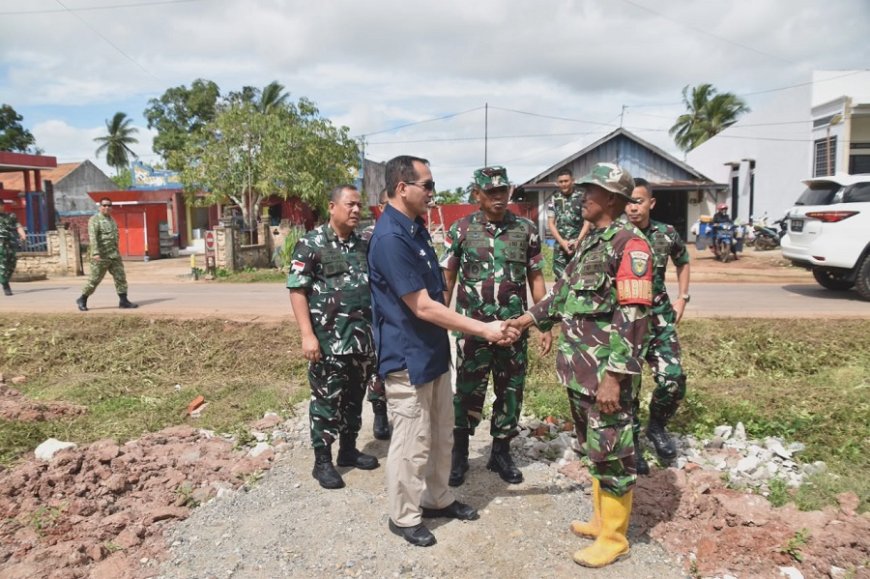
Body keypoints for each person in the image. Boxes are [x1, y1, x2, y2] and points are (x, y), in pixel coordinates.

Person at [368, 155, 519, 547]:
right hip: (407, 358)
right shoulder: (390, 237)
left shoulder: (414, 229)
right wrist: (483, 328)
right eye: (428, 185)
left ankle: (437, 498)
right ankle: (403, 516)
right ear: (403, 188)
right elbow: (422, 306)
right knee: (412, 443)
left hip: (432, 351)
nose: (433, 193)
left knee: (439, 436)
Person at [506, 162, 652, 568]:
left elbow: (634, 317)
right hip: (579, 371)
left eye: (591, 191)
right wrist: (525, 320)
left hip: (606, 376)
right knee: (595, 449)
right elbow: (559, 297)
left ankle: (614, 537)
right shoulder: (592, 243)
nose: (582, 197)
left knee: (613, 452)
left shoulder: (630, 246)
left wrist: (615, 379)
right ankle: (600, 518)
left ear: (612, 199)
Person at [441, 166, 552, 487]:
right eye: (491, 193)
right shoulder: (460, 230)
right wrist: (437, 322)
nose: (499, 198)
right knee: (465, 391)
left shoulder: (526, 230)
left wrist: (543, 322)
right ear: (476, 194)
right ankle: (459, 453)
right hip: (472, 330)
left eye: (502, 191)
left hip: (513, 330)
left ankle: (501, 452)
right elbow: (446, 279)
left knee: (511, 391)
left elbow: (536, 279)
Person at [287, 184, 380, 490]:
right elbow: (297, 290)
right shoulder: (311, 243)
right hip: (328, 342)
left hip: (362, 340)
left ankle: (349, 450)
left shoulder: (364, 244)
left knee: (354, 399)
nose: (356, 210)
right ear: (332, 207)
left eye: (359, 205)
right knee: (327, 401)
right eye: (350, 205)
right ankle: (322, 461)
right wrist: (307, 336)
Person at [625, 178, 691, 471]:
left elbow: (683, 260)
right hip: (627, 321)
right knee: (628, 387)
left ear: (651, 203)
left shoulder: (666, 233)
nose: (632, 208)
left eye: (638, 201)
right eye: (627, 202)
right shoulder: (617, 235)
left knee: (673, 379)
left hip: (661, 317)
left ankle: (657, 426)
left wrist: (683, 298)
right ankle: (633, 444)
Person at [359, 187, 391, 440]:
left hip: (403, 311)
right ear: (380, 207)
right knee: (377, 363)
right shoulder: (368, 237)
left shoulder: (411, 232)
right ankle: (379, 411)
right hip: (376, 310)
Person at [75, 198, 137, 311]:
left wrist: (117, 252)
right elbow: (93, 237)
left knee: (120, 277)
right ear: (100, 207)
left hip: (114, 255)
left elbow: (115, 237)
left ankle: (123, 301)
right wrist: (95, 253)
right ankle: (82, 298)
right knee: (94, 279)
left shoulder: (112, 220)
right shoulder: (95, 220)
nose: (107, 207)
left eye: (109, 205)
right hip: (100, 256)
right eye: (104, 205)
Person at [547, 168, 590, 280]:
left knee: (579, 279)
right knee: (560, 281)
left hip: (579, 244)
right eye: (561, 182)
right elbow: (551, 223)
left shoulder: (582, 197)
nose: (563, 184)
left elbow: (587, 222)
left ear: (573, 181)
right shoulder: (554, 198)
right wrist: (562, 242)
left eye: (566, 181)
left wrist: (578, 241)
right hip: (561, 246)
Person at [0, 202, 27, 296]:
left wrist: (22, 234)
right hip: (0, 244)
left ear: (2, 206)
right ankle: (5, 284)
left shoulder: (10, 216)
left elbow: (18, 226)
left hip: (10, 243)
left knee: (12, 264)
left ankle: (5, 279)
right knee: (3, 264)